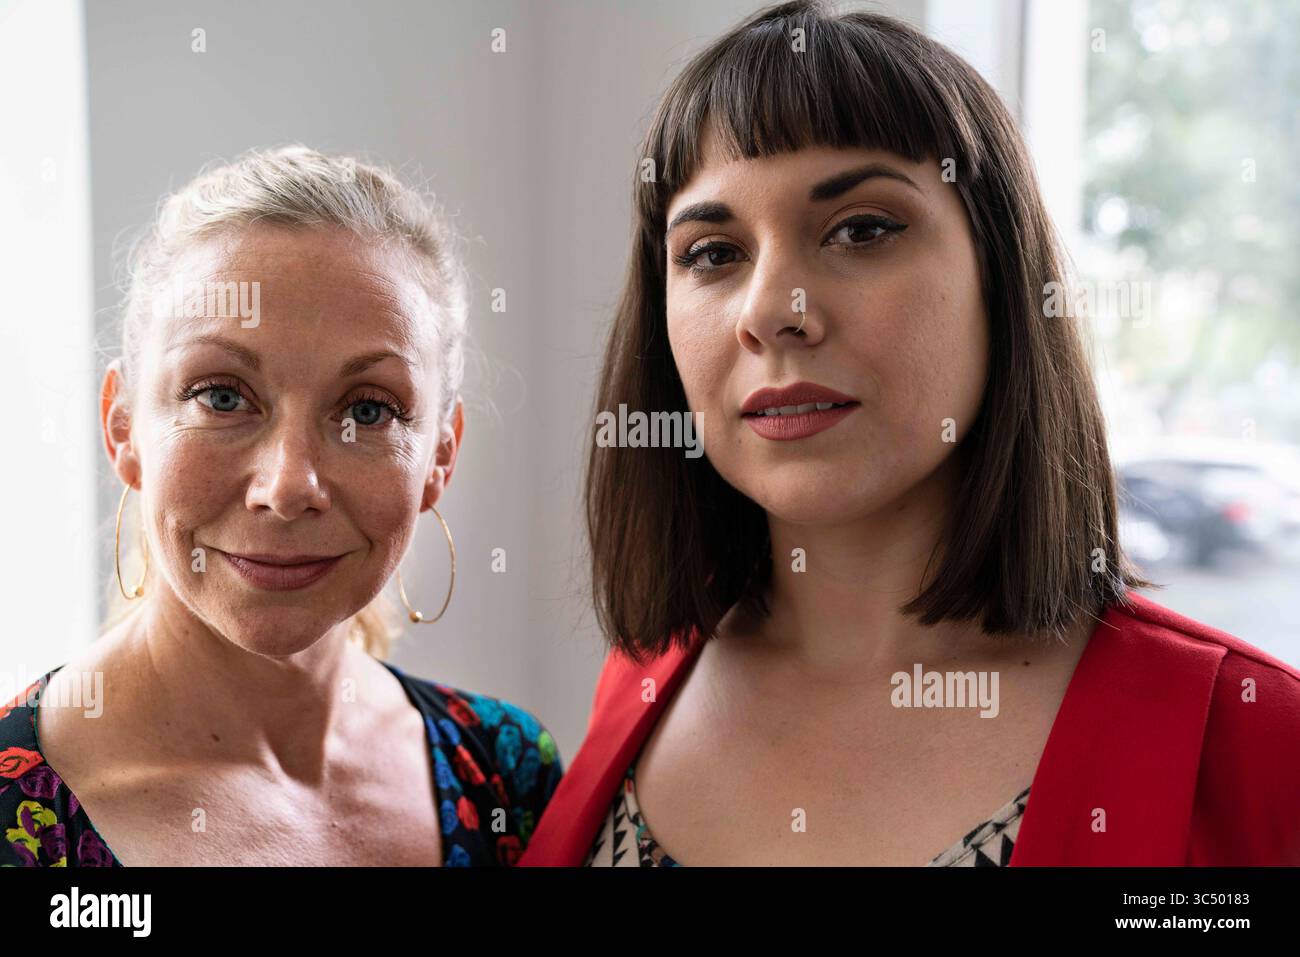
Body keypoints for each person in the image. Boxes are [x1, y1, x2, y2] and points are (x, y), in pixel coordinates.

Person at [520, 0, 1300, 867]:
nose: (775, 310)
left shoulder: (1256, 740)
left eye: (861, 229)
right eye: (712, 253)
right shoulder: (641, 680)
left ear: (1003, 282)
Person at [0, 146, 561, 867]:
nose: (290, 484)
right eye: (222, 396)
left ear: (440, 457)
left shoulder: (510, 779)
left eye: (367, 408)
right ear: (123, 428)